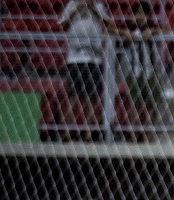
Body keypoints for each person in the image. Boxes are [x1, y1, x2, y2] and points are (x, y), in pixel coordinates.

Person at [59, 0, 122, 141]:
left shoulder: (98, 6)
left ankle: (88, 132)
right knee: (73, 96)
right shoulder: (72, 5)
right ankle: (67, 132)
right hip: (75, 57)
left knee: (91, 96)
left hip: (95, 57)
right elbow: (62, 25)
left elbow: (108, 25)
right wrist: (76, 10)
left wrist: (94, 10)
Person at [119, 1, 167, 142]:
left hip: (151, 72)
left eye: (143, 14)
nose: (140, 17)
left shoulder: (151, 27)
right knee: (134, 104)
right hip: (134, 72)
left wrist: (153, 31)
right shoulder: (129, 28)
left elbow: (168, 29)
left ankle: (147, 135)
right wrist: (125, 33)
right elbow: (110, 29)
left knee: (151, 104)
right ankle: (133, 135)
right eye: (137, 14)